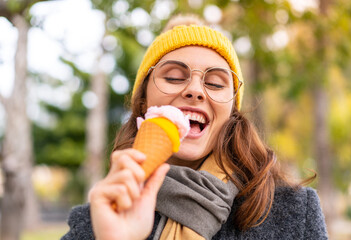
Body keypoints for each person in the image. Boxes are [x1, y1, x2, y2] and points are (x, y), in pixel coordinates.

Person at [61, 15, 328, 240]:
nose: (194, 90)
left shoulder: (294, 210)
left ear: (232, 112)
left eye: (215, 83)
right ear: (142, 102)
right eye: (174, 77)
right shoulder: (95, 221)